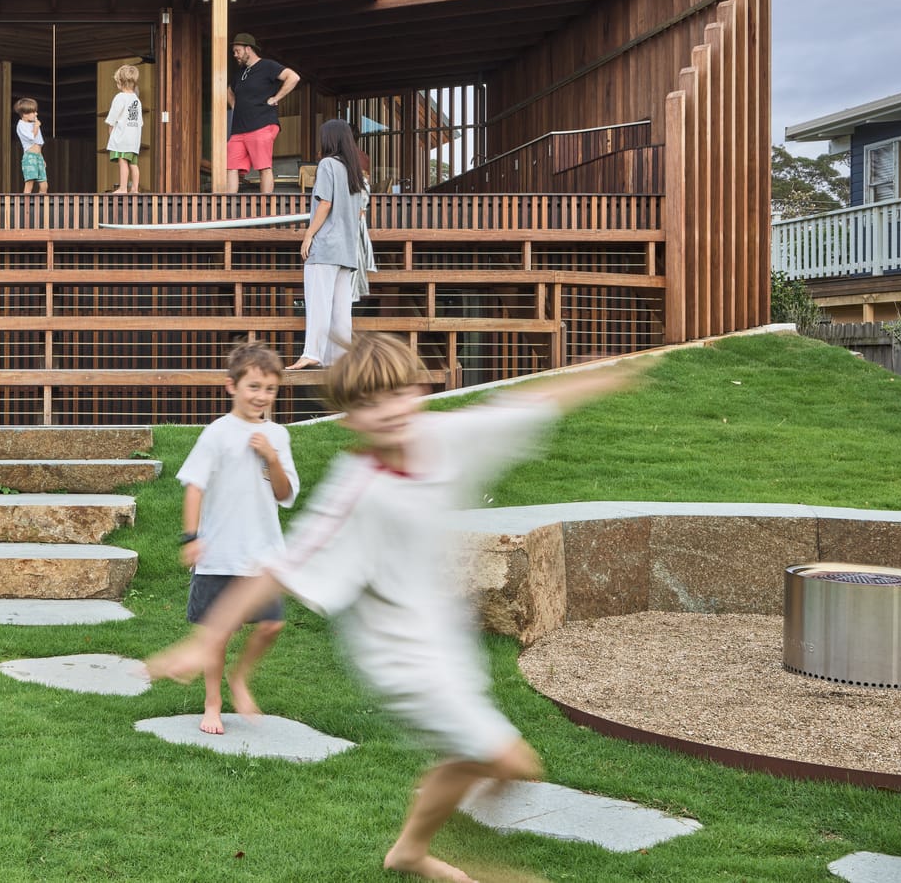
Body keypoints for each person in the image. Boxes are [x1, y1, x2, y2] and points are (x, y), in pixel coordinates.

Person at [148, 334, 651, 883]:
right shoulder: (356, 490)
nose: (386, 412)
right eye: (366, 404)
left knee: (486, 762)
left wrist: (617, 370)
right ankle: (477, 857)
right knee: (507, 760)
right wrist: (205, 636)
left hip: (441, 632)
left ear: (418, 391)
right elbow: (278, 567)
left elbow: (532, 403)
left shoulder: (443, 435)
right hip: (394, 648)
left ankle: (411, 851)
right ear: (349, 420)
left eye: (395, 395)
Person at [177, 342, 298, 734]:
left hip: (263, 555)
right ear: (232, 386)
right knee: (216, 633)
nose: (261, 396)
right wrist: (191, 537)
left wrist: (273, 458)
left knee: (271, 625)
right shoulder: (216, 434)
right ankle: (212, 704)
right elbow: (194, 487)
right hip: (220, 554)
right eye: (254, 387)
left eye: (270, 389)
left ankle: (239, 677)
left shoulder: (278, 436)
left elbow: (284, 495)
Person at [292, 117, 372, 370]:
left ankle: (312, 352)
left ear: (329, 139)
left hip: (326, 246)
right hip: (347, 251)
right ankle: (339, 360)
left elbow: (324, 204)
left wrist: (308, 234)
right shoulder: (354, 171)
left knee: (318, 302)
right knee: (341, 310)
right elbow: (359, 213)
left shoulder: (327, 164)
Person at [224, 34, 299, 194]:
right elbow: (229, 91)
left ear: (248, 49)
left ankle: (265, 211)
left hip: (262, 124)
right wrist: (235, 106)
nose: (235, 55)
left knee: (263, 166)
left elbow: (293, 77)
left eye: (237, 51)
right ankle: (227, 214)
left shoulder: (267, 66)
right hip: (238, 130)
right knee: (231, 167)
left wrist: (276, 98)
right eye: (234, 51)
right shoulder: (240, 73)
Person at [104, 64, 144, 193]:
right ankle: (135, 189)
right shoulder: (137, 100)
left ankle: (122, 188)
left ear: (120, 82)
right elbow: (140, 122)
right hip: (134, 138)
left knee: (123, 162)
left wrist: (111, 130)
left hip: (122, 137)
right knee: (133, 164)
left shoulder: (120, 98)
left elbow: (113, 117)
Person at [15, 97, 47, 194]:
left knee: (44, 185)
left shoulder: (34, 123)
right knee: (29, 185)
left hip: (38, 157)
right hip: (30, 156)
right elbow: (32, 137)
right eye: (33, 112)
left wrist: (42, 158)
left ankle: (42, 207)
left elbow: (39, 143)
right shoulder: (21, 125)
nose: (36, 114)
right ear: (25, 114)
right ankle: (26, 208)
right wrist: (36, 126)